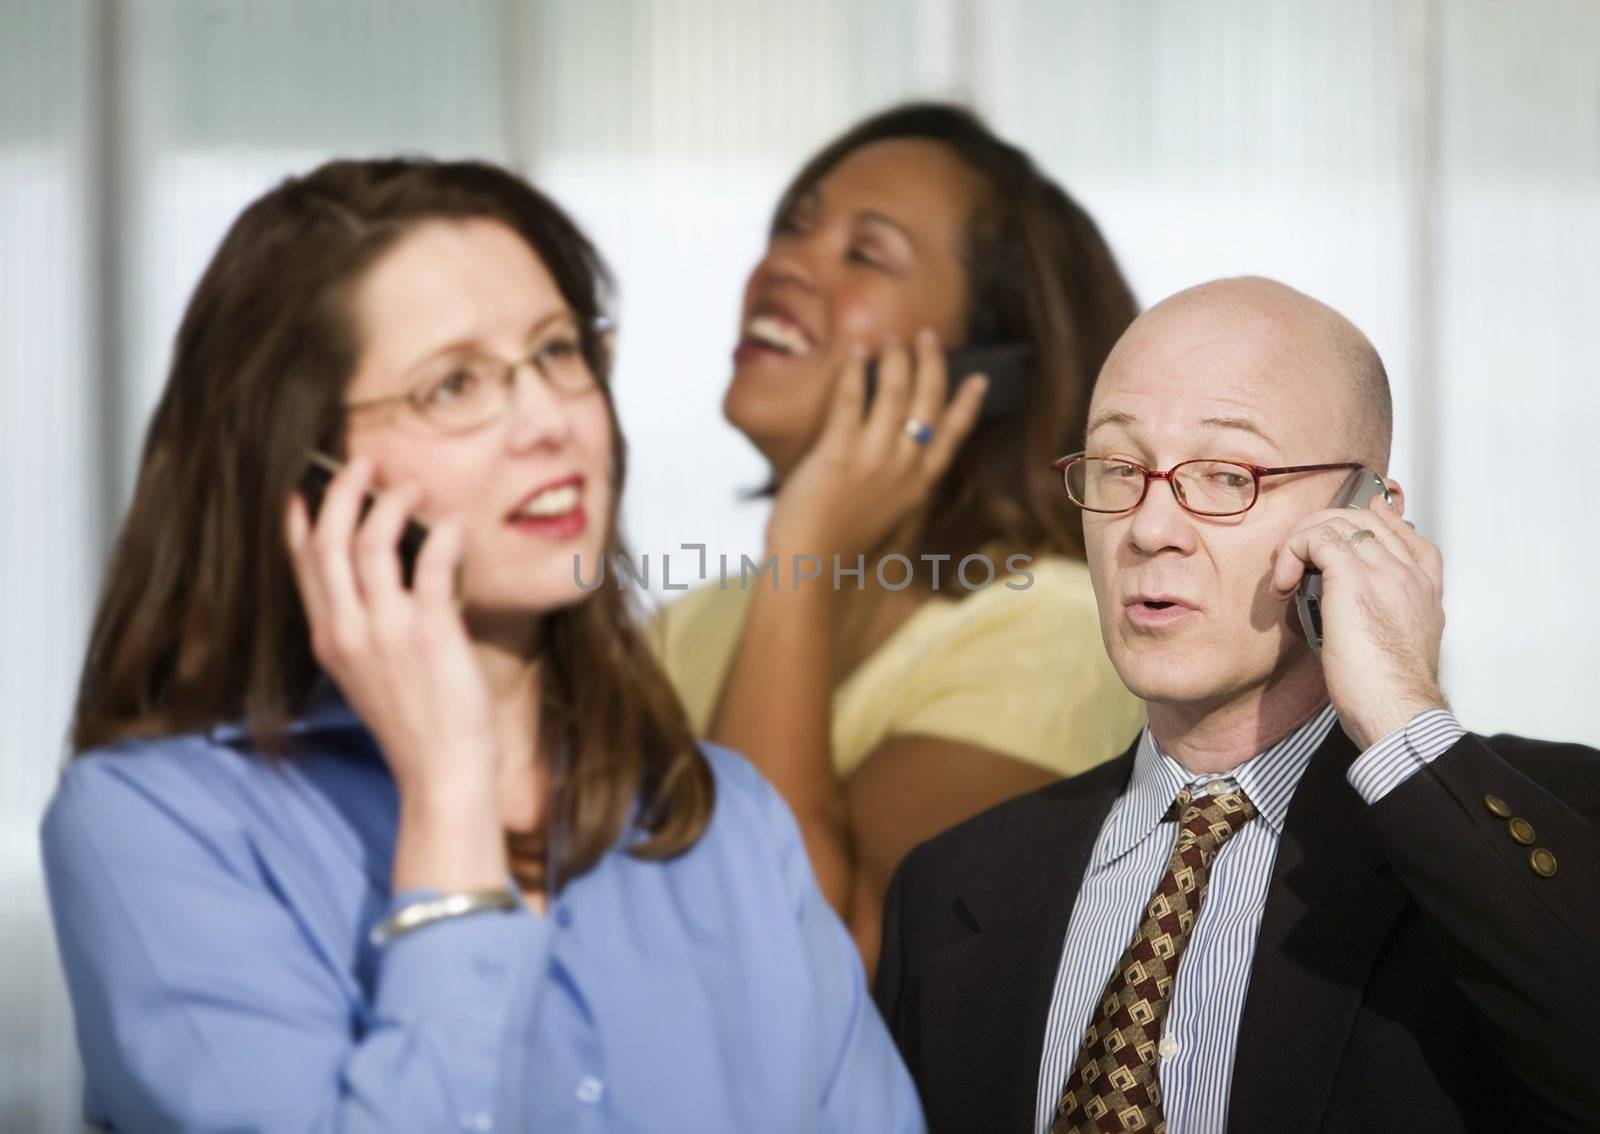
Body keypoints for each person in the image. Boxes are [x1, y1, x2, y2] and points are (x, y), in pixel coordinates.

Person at [40, 158, 923, 1133]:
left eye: (555, 353)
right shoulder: (152, 827)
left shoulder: (728, 823)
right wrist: (453, 792)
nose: (548, 420)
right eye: (452, 385)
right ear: (304, 469)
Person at [874, 276, 1600, 1133]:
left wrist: (1401, 709)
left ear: (1370, 518)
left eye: (1225, 477)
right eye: (1118, 468)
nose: (1149, 528)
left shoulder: (1543, 821)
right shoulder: (954, 884)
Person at [651, 103, 1146, 976]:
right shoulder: (684, 626)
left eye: (864, 253)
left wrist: (801, 549)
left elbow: (811, 963)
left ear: (987, 371)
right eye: (793, 227)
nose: (784, 264)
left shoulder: (1060, 632)